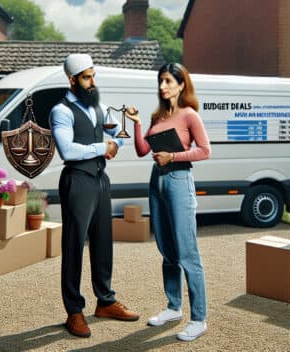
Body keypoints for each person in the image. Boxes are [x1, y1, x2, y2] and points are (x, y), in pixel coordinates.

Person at [50, 53, 140, 338]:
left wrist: (122, 136)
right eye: (87, 77)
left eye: (93, 76)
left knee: (103, 242)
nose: (92, 82)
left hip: (101, 179)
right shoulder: (61, 111)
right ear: (72, 80)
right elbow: (68, 151)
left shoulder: (98, 106)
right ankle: (74, 311)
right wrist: (104, 148)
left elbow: (117, 134)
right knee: (75, 246)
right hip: (77, 180)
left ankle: (106, 301)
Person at [126, 63, 211, 342]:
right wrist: (137, 124)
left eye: (167, 81)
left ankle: (198, 319)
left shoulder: (190, 116)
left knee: (188, 253)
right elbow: (142, 150)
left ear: (181, 84)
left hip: (178, 180)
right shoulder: (158, 117)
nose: (162, 86)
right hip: (157, 180)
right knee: (167, 250)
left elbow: (205, 151)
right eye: (160, 81)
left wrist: (173, 157)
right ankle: (174, 307)